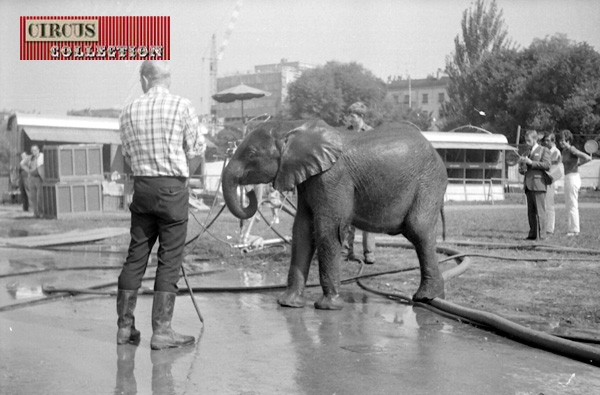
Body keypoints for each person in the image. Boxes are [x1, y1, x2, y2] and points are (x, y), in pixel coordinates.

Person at [117, 60, 206, 350]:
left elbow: (128, 156)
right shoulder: (182, 106)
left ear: (144, 79)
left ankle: (125, 328)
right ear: (167, 79)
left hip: (142, 188)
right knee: (169, 261)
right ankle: (162, 331)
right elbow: (197, 150)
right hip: (172, 188)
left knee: (136, 256)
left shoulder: (129, 110)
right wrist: (180, 180)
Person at [341, 101, 376, 264]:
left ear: (361, 117)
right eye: (350, 116)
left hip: (366, 178)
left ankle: (369, 253)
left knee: (368, 216)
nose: (351, 119)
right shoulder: (345, 133)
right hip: (348, 178)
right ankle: (347, 251)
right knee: (348, 215)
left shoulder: (370, 133)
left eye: (353, 116)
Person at [557, 129, 592, 236]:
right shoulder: (564, 151)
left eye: (563, 140)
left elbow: (586, 157)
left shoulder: (572, 149)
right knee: (568, 204)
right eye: (560, 141)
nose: (561, 143)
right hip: (567, 177)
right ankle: (571, 229)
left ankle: (575, 230)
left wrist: (578, 161)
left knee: (572, 204)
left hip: (573, 177)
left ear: (568, 140)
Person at [518, 130, 551, 240]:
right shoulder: (527, 152)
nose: (527, 143)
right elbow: (524, 170)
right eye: (526, 141)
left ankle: (542, 235)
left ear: (535, 139)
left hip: (538, 184)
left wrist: (531, 163)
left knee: (540, 211)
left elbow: (547, 165)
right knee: (531, 212)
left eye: (529, 140)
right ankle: (532, 234)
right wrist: (521, 166)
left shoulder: (543, 150)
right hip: (528, 184)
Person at [541, 132, 562, 235]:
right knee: (545, 204)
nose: (546, 142)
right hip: (546, 178)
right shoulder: (547, 151)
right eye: (545, 140)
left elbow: (548, 163)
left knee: (550, 204)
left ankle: (550, 227)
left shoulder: (555, 151)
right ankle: (546, 226)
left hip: (552, 179)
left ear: (553, 141)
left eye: (548, 140)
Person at [27, 145, 44, 218]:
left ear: (38, 150)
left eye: (34, 150)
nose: (33, 152)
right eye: (32, 150)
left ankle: (41, 212)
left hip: (39, 178)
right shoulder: (31, 158)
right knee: (33, 197)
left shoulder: (43, 156)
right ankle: (35, 212)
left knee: (40, 196)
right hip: (32, 178)